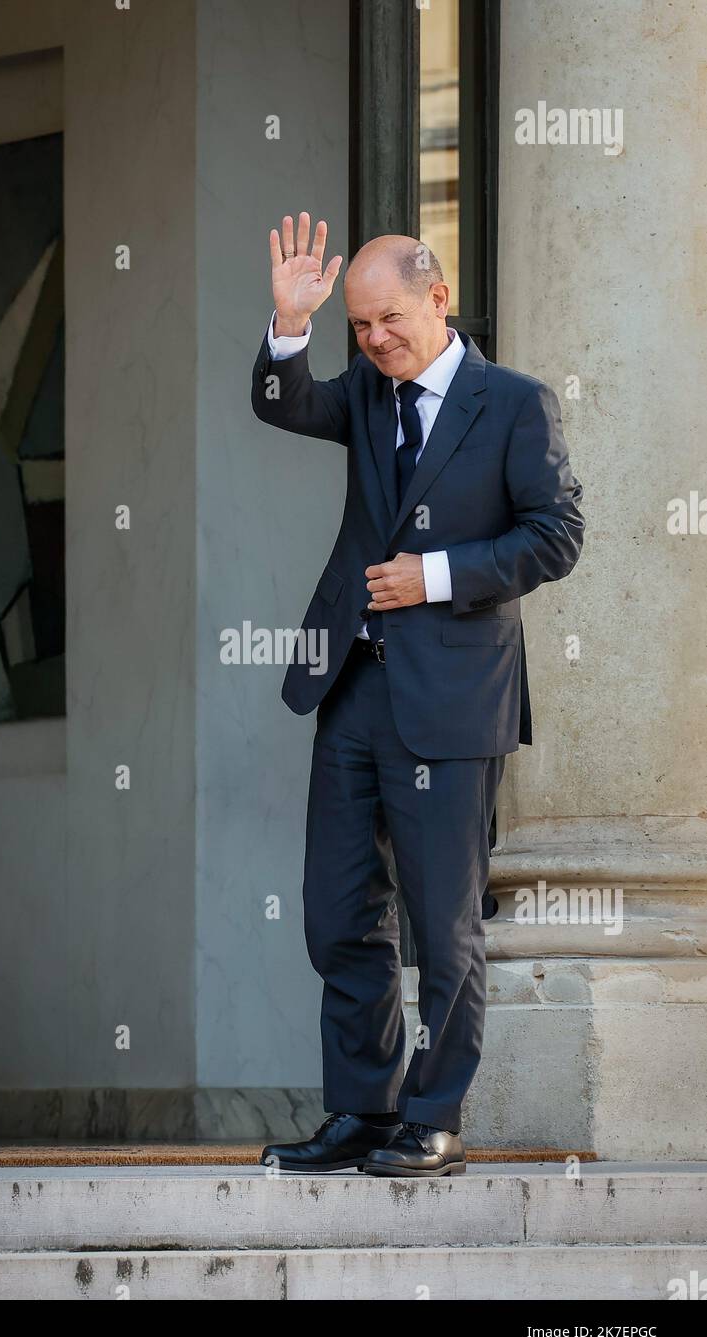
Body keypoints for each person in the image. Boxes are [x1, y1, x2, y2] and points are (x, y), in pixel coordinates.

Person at [251, 213, 584, 1177]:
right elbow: (284, 405)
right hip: (352, 685)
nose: (374, 341)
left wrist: (433, 574)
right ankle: (361, 1109)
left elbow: (555, 536)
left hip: (451, 697)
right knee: (337, 913)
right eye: (358, 327)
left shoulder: (515, 404)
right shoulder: (362, 389)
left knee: (443, 924)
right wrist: (288, 327)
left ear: (438, 298)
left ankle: (431, 1115)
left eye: (387, 319)